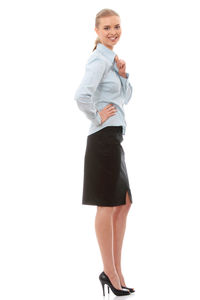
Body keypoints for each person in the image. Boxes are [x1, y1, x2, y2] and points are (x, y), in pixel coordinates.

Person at [74, 8, 135, 296]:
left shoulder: (113, 61)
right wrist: (98, 116)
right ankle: (109, 272)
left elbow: (123, 99)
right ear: (97, 31)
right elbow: (81, 95)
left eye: (117, 26)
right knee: (108, 205)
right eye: (107, 27)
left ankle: (116, 270)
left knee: (123, 205)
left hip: (113, 138)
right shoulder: (99, 58)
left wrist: (123, 76)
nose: (113, 31)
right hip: (102, 139)